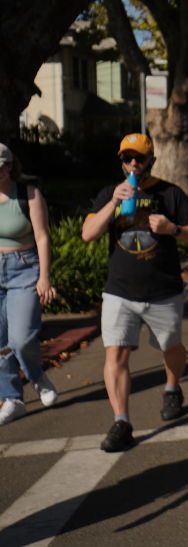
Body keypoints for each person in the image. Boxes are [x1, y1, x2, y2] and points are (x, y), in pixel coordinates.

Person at [82, 133, 188, 452]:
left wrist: (172, 229)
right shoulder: (110, 193)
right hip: (120, 291)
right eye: (127, 158)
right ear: (121, 161)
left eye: (140, 158)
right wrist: (114, 203)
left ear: (152, 160)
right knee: (115, 353)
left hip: (163, 291)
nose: (133, 163)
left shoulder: (170, 193)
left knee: (171, 347)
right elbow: (88, 234)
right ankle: (122, 421)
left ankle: (173, 387)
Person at [0, 143, 58, 425]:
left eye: (2, 166)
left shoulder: (28, 193)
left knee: (21, 339)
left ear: (10, 166)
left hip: (23, 268)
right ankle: (12, 398)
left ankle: (37, 377)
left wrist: (44, 277)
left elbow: (42, 238)